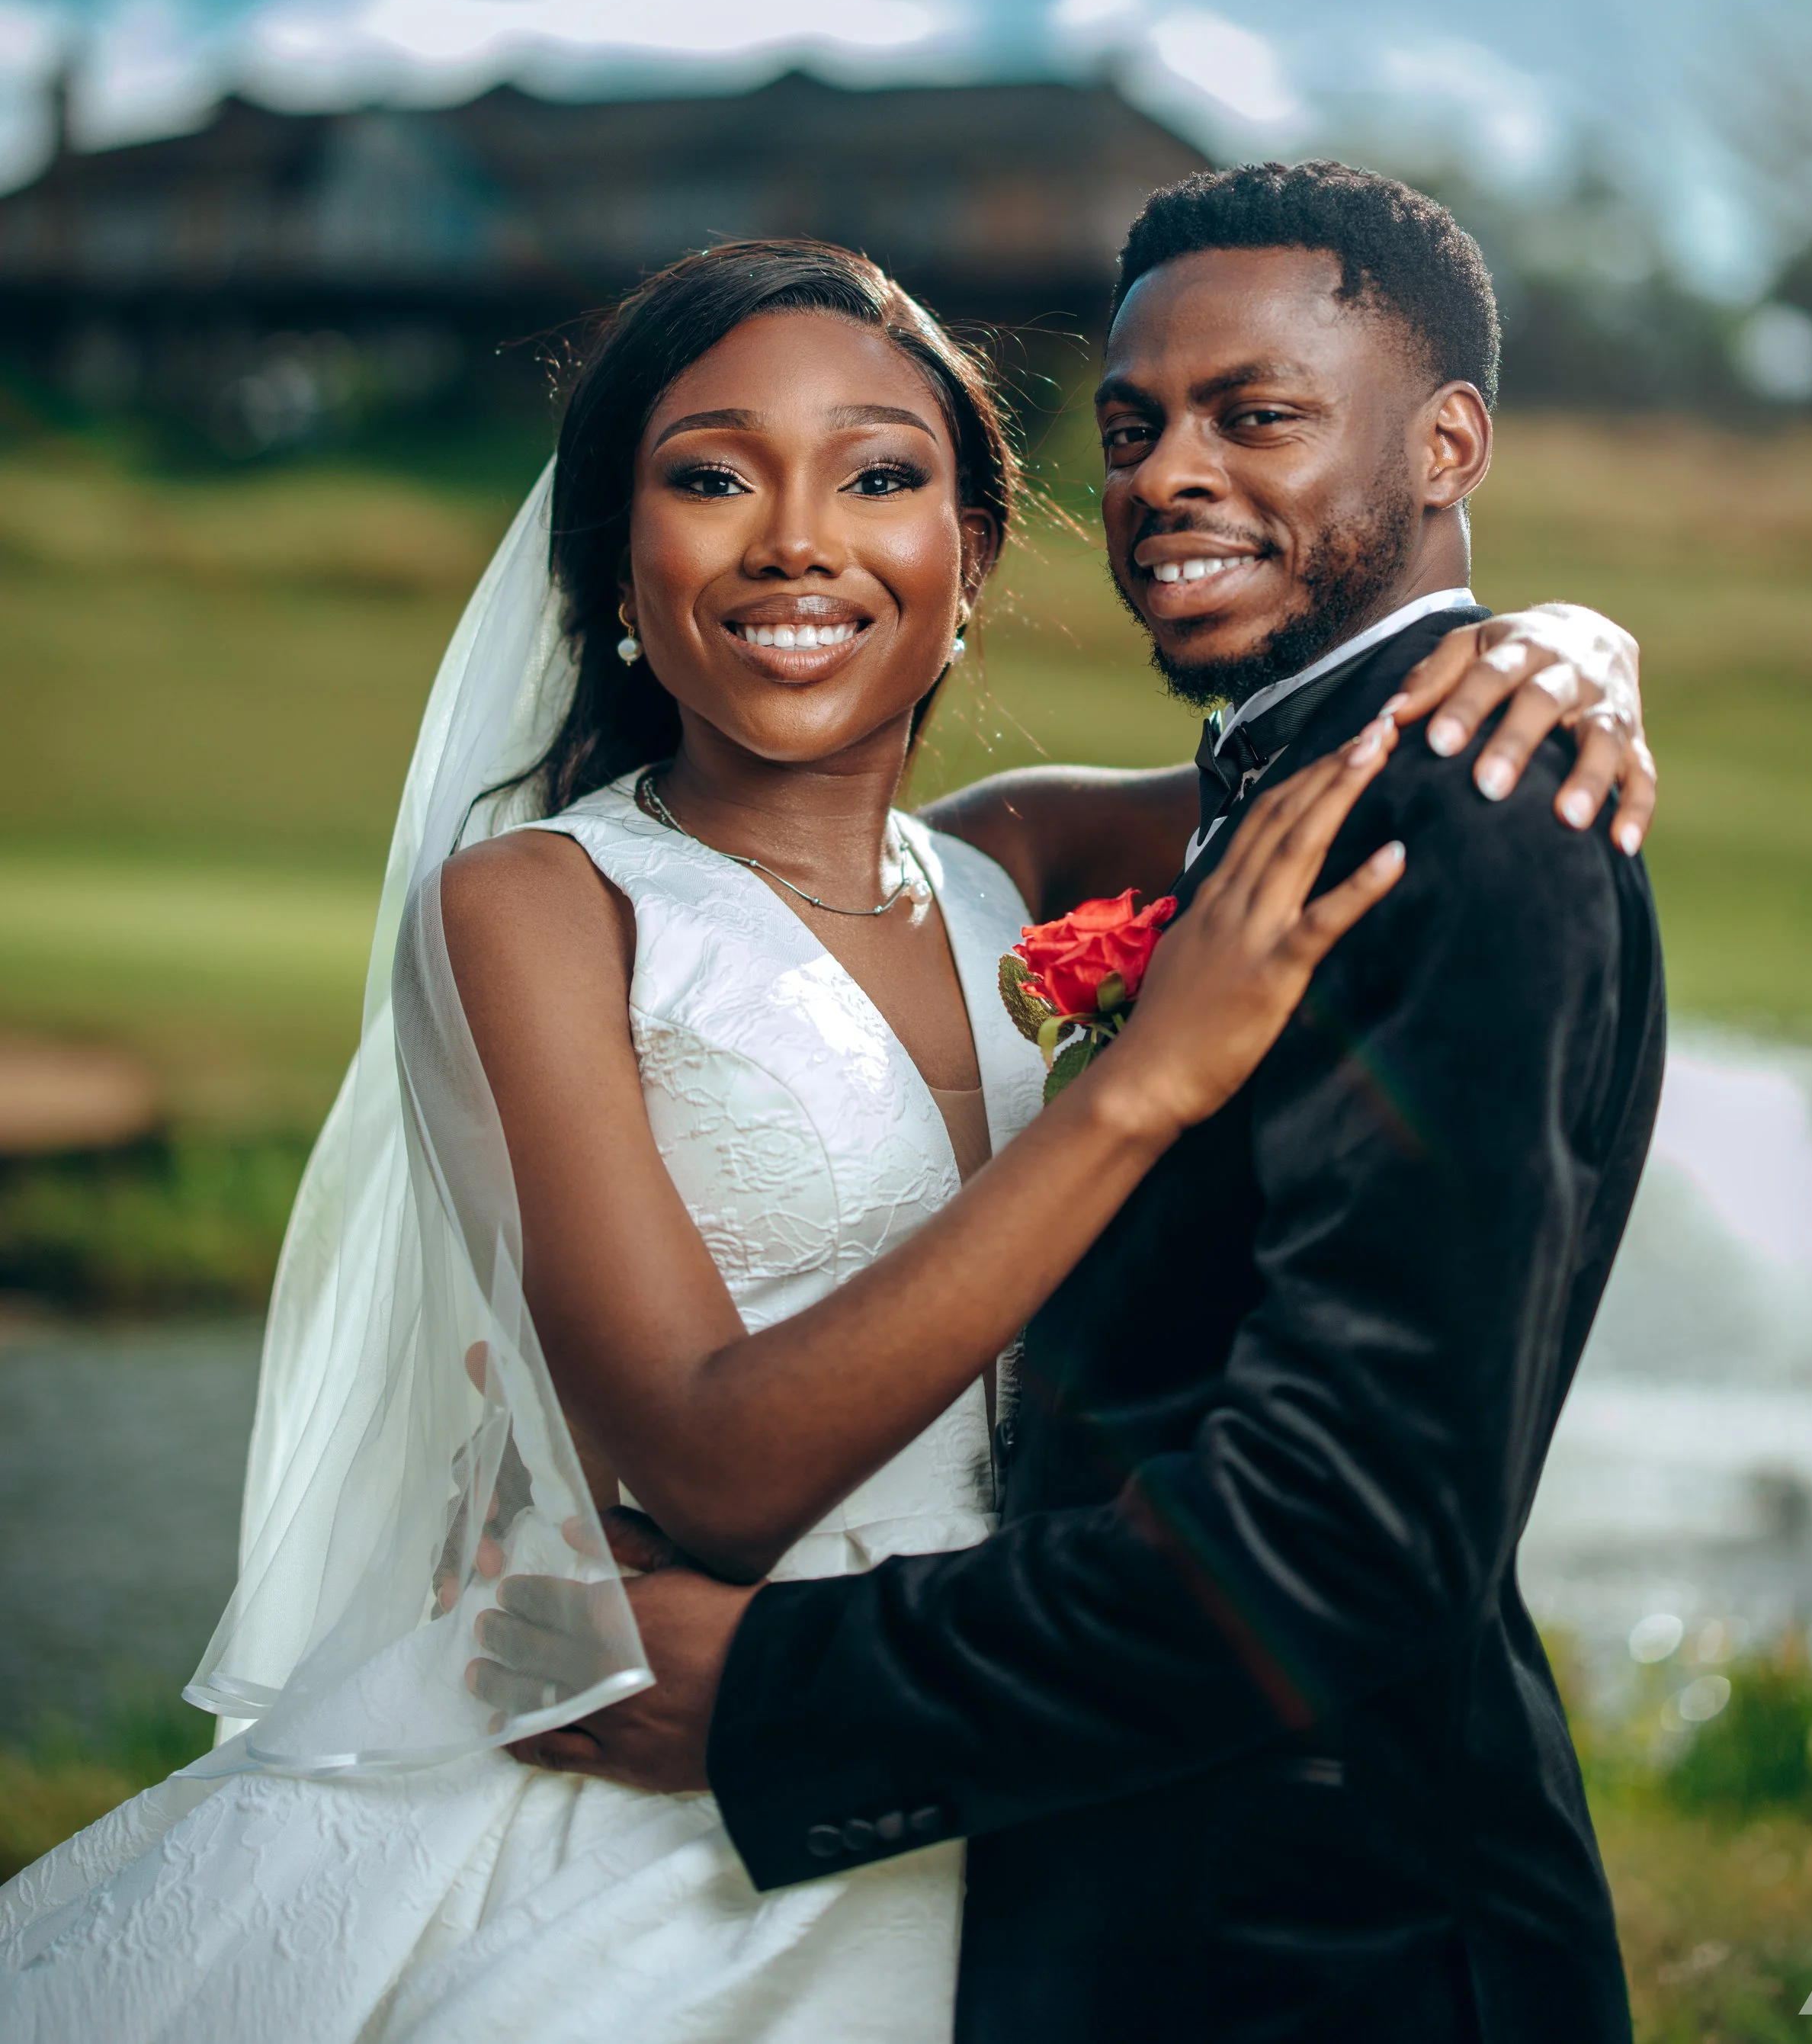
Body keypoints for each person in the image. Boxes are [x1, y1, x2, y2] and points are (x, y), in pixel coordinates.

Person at [0, 223, 1653, 2044]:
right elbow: (705, 1457)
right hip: (697, 1752)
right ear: (615, 562)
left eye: (878, 475)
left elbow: (1348, 750)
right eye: (710, 477)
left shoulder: (1016, 856)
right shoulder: (538, 906)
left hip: (1019, 1776)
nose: (796, 535)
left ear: (964, 563)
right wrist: (1133, 1087)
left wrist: (1566, 640)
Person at [486, 170, 1667, 2044]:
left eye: (1252, 414)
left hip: (1330, 1949)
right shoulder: (1230, 802)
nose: (1168, 473)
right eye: (1131, 427)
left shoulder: (1454, 824)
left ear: (1448, 442)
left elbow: (1344, 1530)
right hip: (1089, 1892)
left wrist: (783, 1689)